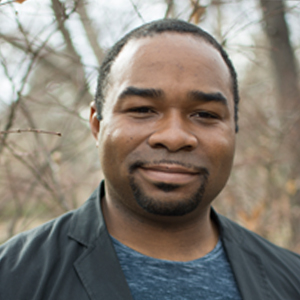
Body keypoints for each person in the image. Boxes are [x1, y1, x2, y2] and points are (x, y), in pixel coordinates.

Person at [0, 19, 299, 300]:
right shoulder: (14, 277)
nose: (174, 137)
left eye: (205, 114)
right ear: (96, 124)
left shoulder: (290, 280)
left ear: (234, 129)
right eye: (142, 110)